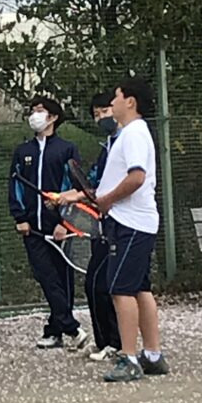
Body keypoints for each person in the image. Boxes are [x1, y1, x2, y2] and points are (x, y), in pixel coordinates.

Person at [96, 79, 169, 383]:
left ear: (130, 101)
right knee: (140, 288)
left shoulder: (134, 134)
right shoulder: (129, 134)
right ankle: (152, 355)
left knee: (120, 289)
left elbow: (137, 177)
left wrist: (107, 200)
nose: (111, 103)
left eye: (116, 96)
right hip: (135, 222)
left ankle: (129, 358)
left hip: (131, 224)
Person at [9, 95, 88, 350]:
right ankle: (72, 328)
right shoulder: (23, 152)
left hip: (60, 228)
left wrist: (65, 222)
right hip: (32, 229)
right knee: (45, 276)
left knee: (62, 279)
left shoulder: (67, 149)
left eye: (40, 111)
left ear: (53, 117)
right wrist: (20, 218)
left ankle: (55, 329)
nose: (35, 115)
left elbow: (77, 187)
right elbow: (15, 185)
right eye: (33, 111)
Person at [57, 91, 122, 362]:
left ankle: (118, 344)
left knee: (106, 285)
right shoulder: (108, 145)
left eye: (105, 111)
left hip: (121, 226)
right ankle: (103, 341)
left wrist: (77, 196)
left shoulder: (127, 142)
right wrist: (72, 196)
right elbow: (94, 185)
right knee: (94, 284)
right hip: (103, 224)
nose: (101, 118)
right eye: (96, 114)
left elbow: (112, 186)